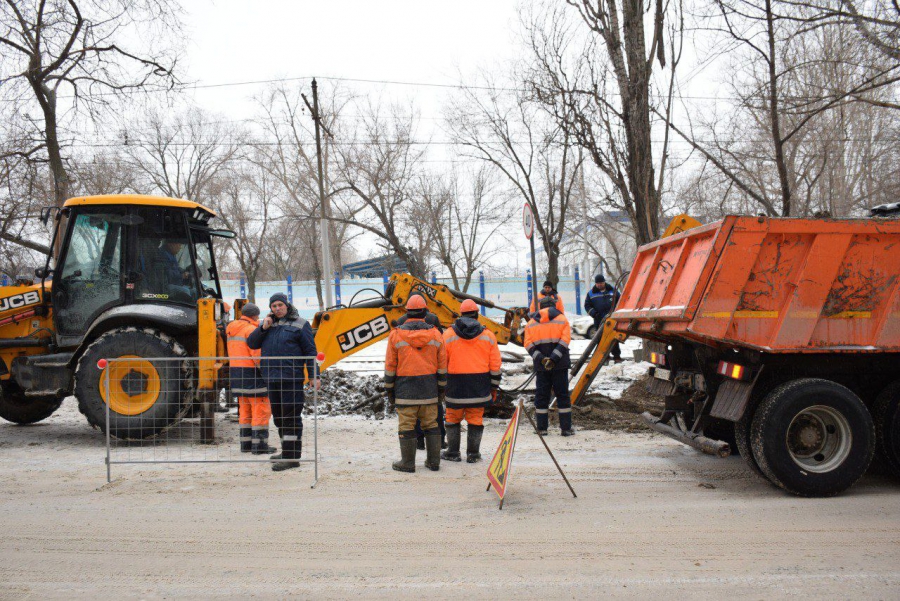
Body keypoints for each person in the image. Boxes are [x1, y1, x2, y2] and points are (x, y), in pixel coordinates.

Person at [248, 293, 319, 472]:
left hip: (291, 379)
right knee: (279, 418)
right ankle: (287, 452)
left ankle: (291, 457)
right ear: (270, 308)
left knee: (290, 418)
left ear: (287, 305)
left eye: (280, 305)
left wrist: (314, 375)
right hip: (272, 378)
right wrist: (263, 327)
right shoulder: (268, 325)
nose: (277, 308)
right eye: (274, 306)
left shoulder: (300, 324)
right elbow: (252, 343)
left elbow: (310, 351)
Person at [384, 295, 447, 473]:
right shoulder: (436, 334)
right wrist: (441, 387)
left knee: (406, 425)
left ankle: (408, 462)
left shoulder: (395, 335)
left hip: (405, 390)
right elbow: (443, 364)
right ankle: (434, 461)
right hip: (429, 389)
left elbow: (390, 365)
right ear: (425, 312)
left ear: (407, 312)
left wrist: (389, 389)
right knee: (431, 424)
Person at [441, 299, 502, 463]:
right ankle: (473, 454)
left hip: (455, 387)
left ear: (461, 315)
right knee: (475, 419)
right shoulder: (488, 335)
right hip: (479, 386)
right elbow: (495, 365)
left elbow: (441, 363)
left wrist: (441, 386)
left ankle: (453, 453)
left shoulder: (448, 335)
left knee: (452, 418)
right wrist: (494, 387)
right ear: (477, 315)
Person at [226, 303, 275, 455]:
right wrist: (267, 372)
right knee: (261, 410)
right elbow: (257, 356)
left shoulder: (231, 328)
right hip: (253, 375)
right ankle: (259, 446)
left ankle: (246, 445)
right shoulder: (252, 330)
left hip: (236, 375)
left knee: (245, 412)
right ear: (255, 316)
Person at [525, 295, 574, 436]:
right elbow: (565, 341)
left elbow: (528, 344)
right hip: (559, 365)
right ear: (554, 306)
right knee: (562, 395)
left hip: (541, 367)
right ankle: (565, 429)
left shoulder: (531, 323)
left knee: (542, 396)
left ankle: (542, 428)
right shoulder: (562, 320)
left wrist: (542, 359)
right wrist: (553, 358)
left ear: (540, 307)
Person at [583, 274, 622, 362]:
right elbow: (587, 306)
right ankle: (605, 357)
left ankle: (617, 356)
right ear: (595, 284)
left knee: (613, 338)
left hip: (612, 320)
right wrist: (594, 313)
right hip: (599, 320)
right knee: (601, 340)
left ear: (604, 282)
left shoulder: (613, 290)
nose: (599, 284)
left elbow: (620, 301)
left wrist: (616, 313)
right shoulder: (591, 293)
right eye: (598, 283)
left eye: (601, 283)